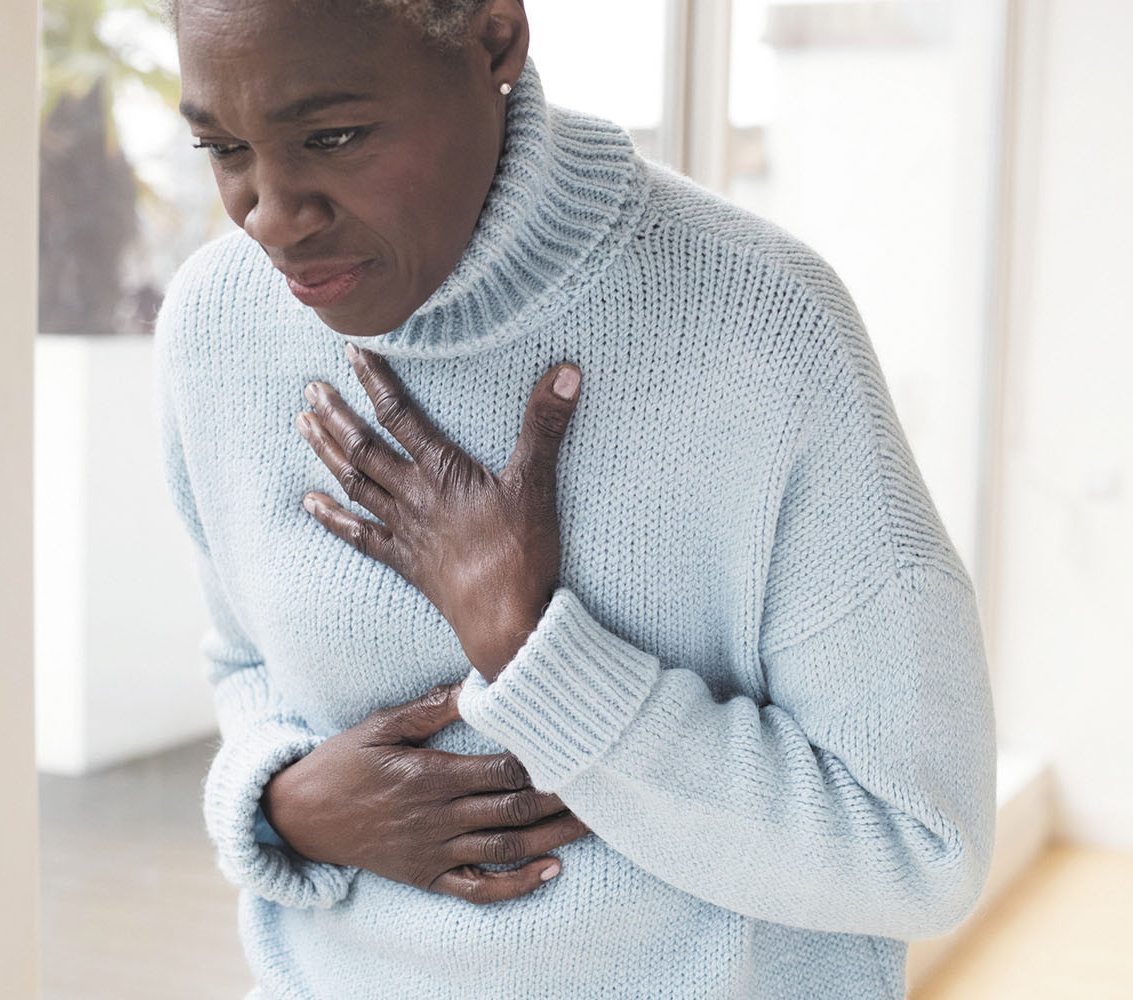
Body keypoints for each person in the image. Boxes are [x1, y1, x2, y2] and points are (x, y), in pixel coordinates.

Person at [152, 0, 997, 997]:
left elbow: (922, 846)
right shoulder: (216, 329)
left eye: (334, 136)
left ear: (496, 41)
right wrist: (284, 805)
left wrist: (533, 656)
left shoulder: (763, 329)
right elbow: (246, 663)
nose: (273, 214)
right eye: (224, 148)